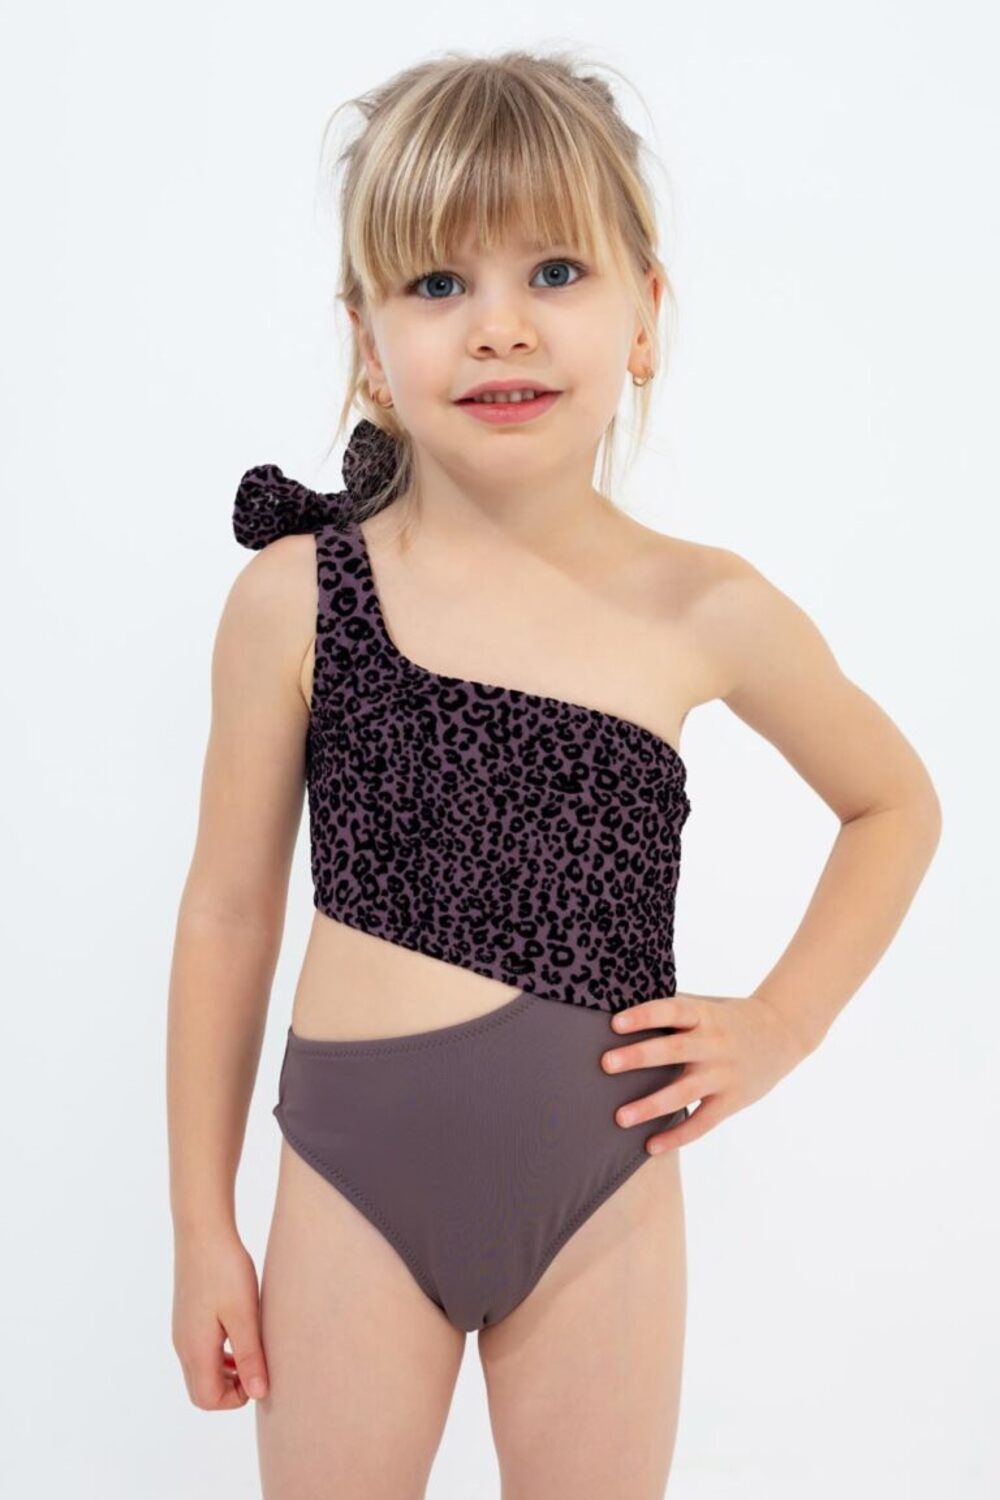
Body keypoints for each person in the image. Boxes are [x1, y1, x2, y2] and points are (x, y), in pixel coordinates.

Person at [167, 48, 942, 1500]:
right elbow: (224, 913)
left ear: (645, 314)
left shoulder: (706, 607)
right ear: (366, 336)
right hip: (349, 1181)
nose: (500, 326)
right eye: (437, 283)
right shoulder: (297, 597)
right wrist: (203, 1226)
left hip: (603, 1189)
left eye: (556, 272)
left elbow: (895, 803)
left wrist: (781, 1022)